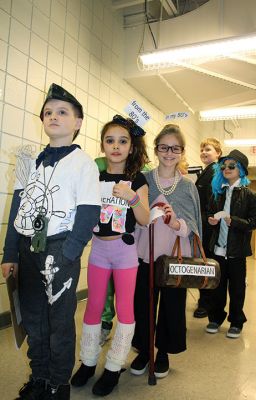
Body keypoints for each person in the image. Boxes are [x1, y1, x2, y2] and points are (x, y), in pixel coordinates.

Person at [0, 83, 102, 400]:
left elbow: (88, 212)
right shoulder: (29, 161)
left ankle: (59, 384)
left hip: (60, 249)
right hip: (28, 250)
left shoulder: (82, 163)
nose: (53, 116)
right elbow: (19, 208)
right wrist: (10, 253)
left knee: (59, 323)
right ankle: (40, 378)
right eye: (48, 112)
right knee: (33, 320)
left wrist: (69, 253)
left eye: (62, 112)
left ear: (78, 122)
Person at [71, 115, 149, 396]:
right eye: (110, 140)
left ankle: (114, 367)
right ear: (103, 145)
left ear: (131, 146)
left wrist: (132, 198)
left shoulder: (137, 178)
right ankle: (89, 362)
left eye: (123, 141)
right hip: (99, 251)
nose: (116, 146)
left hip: (125, 252)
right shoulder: (94, 175)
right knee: (93, 306)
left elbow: (143, 219)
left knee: (125, 309)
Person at [131, 124, 202, 378]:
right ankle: (143, 350)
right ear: (156, 149)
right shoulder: (144, 179)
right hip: (145, 254)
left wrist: (176, 223)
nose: (169, 153)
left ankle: (162, 352)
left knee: (172, 307)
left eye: (175, 148)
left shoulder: (188, 186)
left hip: (175, 258)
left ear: (182, 152)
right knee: (143, 304)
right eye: (164, 147)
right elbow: (134, 214)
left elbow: (193, 225)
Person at [205, 149, 256, 338]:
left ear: (242, 170)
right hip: (218, 250)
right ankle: (215, 318)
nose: (226, 169)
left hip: (237, 252)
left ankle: (236, 321)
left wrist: (233, 221)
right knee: (217, 288)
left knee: (237, 289)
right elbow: (208, 215)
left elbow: (255, 223)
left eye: (231, 166)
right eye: (224, 166)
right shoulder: (217, 193)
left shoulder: (251, 196)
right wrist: (211, 220)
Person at [193, 138, 222, 318]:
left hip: (208, 224)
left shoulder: (215, 172)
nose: (204, 152)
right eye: (202, 149)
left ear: (218, 153)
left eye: (208, 149)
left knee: (206, 263)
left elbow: (212, 201)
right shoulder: (208, 171)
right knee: (205, 262)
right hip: (204, 222)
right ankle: (206, 300)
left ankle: (206, 303)